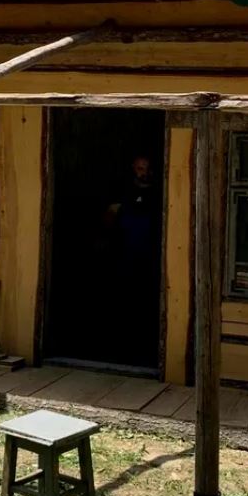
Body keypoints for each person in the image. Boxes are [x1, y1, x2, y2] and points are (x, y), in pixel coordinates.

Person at [104, 155, 161, 365]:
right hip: (125, 255)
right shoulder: (123, 192)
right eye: (140, 169)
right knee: (123, 301)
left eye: (146, 168)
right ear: (133, 169)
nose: (144, 173)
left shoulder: (158, 193)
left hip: (149, 257)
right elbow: (109, 217)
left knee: (146, 303)